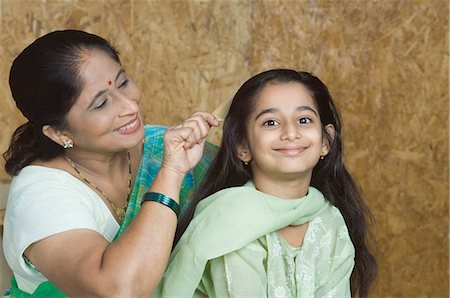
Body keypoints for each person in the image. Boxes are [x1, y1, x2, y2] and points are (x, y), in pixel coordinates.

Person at [2, 29, 219, 297]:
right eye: (101, 103)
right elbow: (116, 290)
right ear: (60, 133)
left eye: (123, 82)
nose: (129, 106)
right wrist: (171, 173)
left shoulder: (163, 145)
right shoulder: (39, 196)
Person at [155, 69, 377, 297]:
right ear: (242, 147)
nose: (291, 132)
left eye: (304, 120)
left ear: (325, 141)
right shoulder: (230, 223)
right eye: (271, 122)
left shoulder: (331, 220)